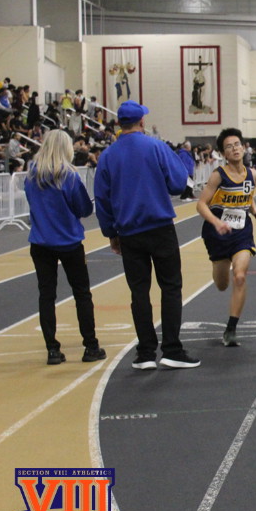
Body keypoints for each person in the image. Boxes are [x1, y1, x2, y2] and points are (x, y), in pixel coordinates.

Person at [94, 100, 199, 370]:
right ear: (142, 122)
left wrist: (111, 233)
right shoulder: (155, 146)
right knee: (171, 287)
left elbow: (102, 199)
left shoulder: (107, 156)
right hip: (160, 226)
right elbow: (178, 182)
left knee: (139, 291)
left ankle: (145, 352)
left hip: (129, 232)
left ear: (119, 124)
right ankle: (172, 349)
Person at [24, 129, 106, 366]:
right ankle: (90, 345)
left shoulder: (31, 175)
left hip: (40, 242)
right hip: (69, 241)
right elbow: (84, 209)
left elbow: (31, 204)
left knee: (46, 295)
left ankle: (52, 349)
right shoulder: (69, 176)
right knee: (82, 293)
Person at [197, 128, 256, 347]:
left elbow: (248, 196)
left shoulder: (253, 174)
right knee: (221, 284)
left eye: (237, 144)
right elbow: (201, 204)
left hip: (241, 233)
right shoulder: (218, 175)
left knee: (240, 276)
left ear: (243, 147)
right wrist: (217, 222)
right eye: (229, 147)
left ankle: (231, 329)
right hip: (217, 233)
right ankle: (219, 265)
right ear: (223, 153)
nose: (235, 149)